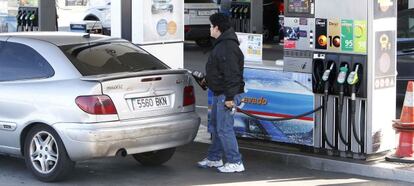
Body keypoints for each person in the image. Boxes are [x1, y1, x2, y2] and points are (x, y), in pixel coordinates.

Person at [197, 13, 245, 173]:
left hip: (227, 94)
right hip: (221, 93)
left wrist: (230, 98)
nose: (210, 29)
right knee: (217, 127)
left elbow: (232, 74)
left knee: (224, 129)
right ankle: (214, 158)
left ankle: (235, 162)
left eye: (211, 26)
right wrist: (206, 80)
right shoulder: (222, 44)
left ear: (217, 27)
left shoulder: (227, 47)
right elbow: (220, 71)